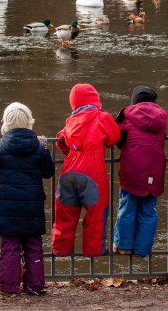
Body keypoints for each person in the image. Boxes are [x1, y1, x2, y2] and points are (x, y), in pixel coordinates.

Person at [0, 102, 55, 295]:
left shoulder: (0, 147)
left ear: (6, 123)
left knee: (9, 247)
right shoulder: (37, 147)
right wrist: (44, 149)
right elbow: (48, 172)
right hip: (32, 207)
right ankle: (34, 286)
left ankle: (9, 288)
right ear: (29, 122)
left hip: (7, 207)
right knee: (34, 246)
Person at [52, 83, 120, 257]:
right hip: (92, 170)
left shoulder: (70, 121)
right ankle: (94, 251)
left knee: (65, 213)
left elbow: (61, 140)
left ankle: (60, 249)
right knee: (95, 213)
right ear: (96, 99)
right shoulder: (102, 117)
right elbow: (114, 138)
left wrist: (71, 150)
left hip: (69, 170)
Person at [113, 86, 167, 257]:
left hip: (132, 169)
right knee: (148, 210)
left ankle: (124, 246)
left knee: (127, 208)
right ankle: (143, 250)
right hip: (154, 170)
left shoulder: (128, 116)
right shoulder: (161, 117)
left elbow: (116, 135)